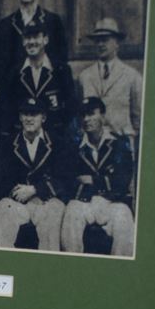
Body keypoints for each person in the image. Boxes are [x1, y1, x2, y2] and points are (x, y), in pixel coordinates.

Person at [61, 97, 135, 256]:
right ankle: (69, 266)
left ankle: (120, 270)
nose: (86, 120)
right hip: (85, 203)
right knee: (72, 211)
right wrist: (101, 182)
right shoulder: (75, 146)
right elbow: (68, 181)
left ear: (103, 115)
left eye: (90, 114)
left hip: (112, 203)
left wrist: (93, 180)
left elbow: (122, 182)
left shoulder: (119, 144)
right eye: (83, 115)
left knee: (124, 215)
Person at [0, 97, 67, 251]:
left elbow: (64, 179)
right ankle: (2, 264)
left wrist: (35, 190)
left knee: (55, 211)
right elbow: (2, 181)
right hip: (18, 203)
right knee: (2, 209)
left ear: (43, 118)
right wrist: (21, 193)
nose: (29, 119)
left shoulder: (58, 143)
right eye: (25, 114)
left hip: (45, 201)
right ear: (20, 117)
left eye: (34, 114)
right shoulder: (9, 143)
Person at [3, 20, 78, 134]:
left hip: (55, 136)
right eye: (28, 38)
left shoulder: (60, 70)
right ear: (23, 42)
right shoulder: (15, 73)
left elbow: (70, 107)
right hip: (24, 138)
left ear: (45, 39)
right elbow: (9, 109)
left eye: (36, 37)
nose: (32, 42)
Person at [77, 18, 142, 148]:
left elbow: (138, 117)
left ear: (117, 43)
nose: (100, 44)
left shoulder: (131, 76)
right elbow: (80, 114)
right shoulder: (85, 76)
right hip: (93, 145)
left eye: (105, 39)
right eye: (97, 40)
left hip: (122, 144)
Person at [0, 0, 68, 77]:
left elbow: (61, 57)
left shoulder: (52, 20)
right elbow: (0, 62)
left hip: (44, 83)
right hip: (14, 86)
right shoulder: (6, 24)